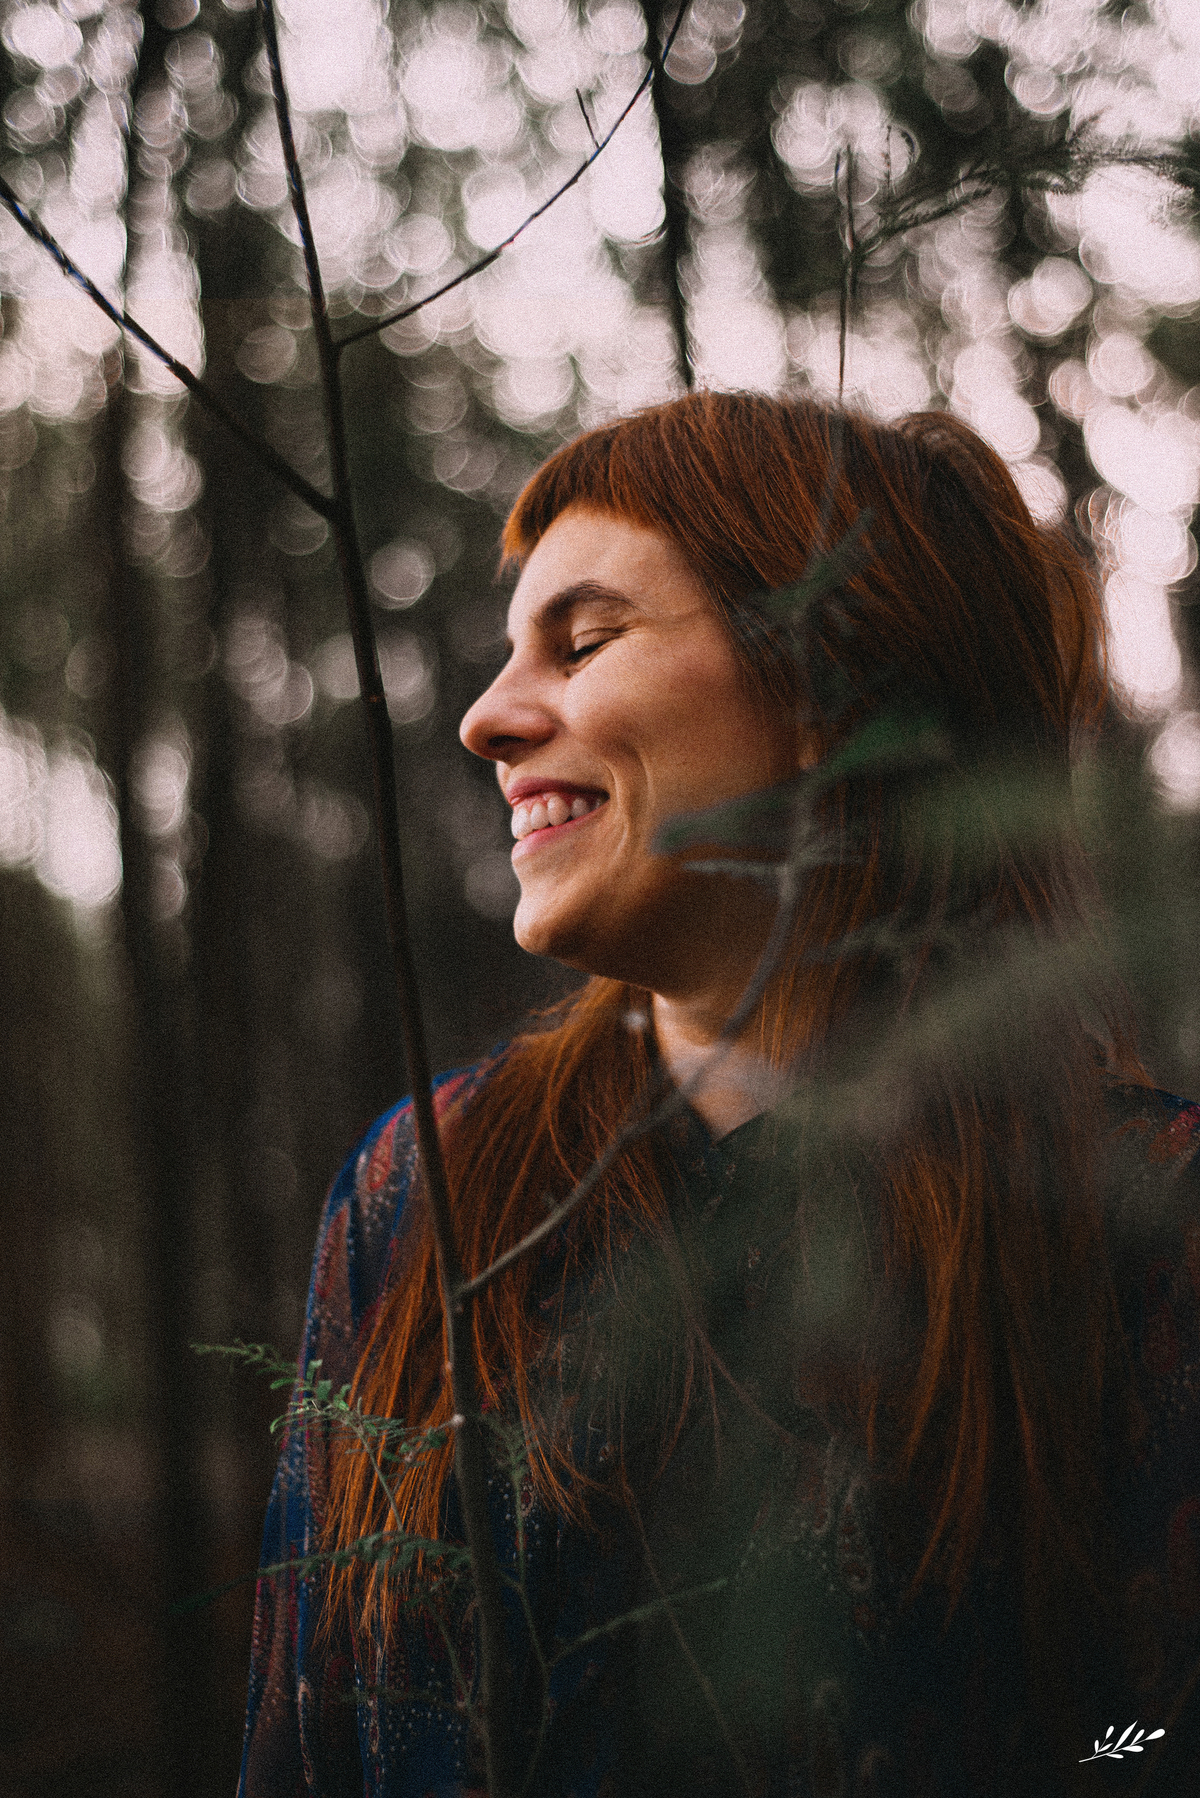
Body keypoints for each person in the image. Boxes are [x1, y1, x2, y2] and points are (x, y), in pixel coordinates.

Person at [238, 393, 1200, 1797]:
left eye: (583, 640)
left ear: (837, 690)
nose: (488, 718)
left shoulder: (1150, 1219)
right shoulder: (427, 1185)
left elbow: (1163, 1741)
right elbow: (298, 1745)